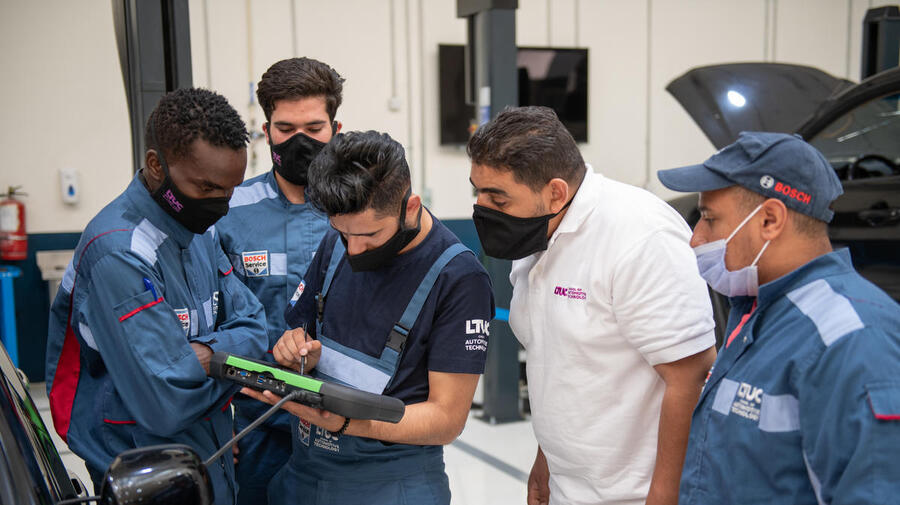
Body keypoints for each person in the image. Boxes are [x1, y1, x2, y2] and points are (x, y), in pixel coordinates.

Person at [466, 106, 717, 505]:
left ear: (556, 192)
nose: (482, 209)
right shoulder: (535, 237)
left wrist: (665, 495)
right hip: (568, 486)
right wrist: (547, 460)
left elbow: (691, 376)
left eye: (498, 198)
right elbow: (562, 362)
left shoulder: (640, 237)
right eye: (477, 192)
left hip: (635, 494)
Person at [241, 130, 495, 505]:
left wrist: (348, 422)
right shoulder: (338, 241)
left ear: (410, 207)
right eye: (344, 234)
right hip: (304, 473)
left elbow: (446, 420)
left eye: (371, 235)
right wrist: (295, 350)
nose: (354, 250)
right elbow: (301, 333)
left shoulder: (458, 279)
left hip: (391, 485)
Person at [45, 88, 268, 504]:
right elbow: (166, 406)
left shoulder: (200, 232)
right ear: (155, 165)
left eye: (230, 190)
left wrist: (205, 358)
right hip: (144, 476)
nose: (220, 204)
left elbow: (257, 326)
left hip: (209, 456)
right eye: (207, 187)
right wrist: (237, 371)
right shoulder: (119, 253)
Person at [657, 131, 900, 504]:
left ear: (770, 220)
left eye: (709, 218)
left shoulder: (853, 340)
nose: (696, 238)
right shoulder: (758, 313)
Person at [215, 57, 342, 504]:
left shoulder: (364, 211)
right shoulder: (229, 212)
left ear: (335, 129)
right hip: (257, 423)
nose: (300, 140)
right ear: (267, 132)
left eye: (314, 127)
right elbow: (208, 321)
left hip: (345, 421)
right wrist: (217, 420)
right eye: (286, 128)